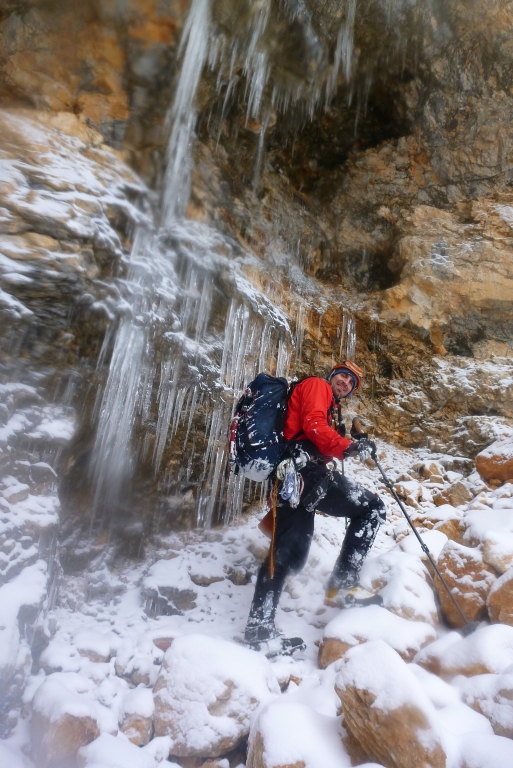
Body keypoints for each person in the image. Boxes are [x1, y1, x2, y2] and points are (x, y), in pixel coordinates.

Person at [244, 360, 386, 650]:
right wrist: (351, 447)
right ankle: (343, 584)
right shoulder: (317, 386)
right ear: (332, 376)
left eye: (351, 383)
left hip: (295, 480)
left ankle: (259, 629)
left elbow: (315, 429)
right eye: (343, 377)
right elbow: (313, 426)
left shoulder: (326, 401)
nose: (345, 383)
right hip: (305, 475)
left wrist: (347, 441)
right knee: (372, 508)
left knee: (287, 552)